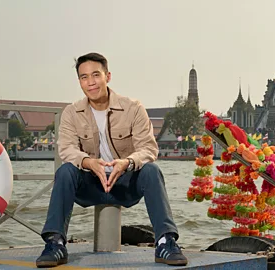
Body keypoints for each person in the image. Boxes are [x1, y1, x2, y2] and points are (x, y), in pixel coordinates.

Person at [36, 52, 187, 268]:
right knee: (65, 171)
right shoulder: (71, 112)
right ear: (79, 81)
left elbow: (148, 149)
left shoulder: (133, 108)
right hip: (90, 184)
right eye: (84, 77)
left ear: (108, 76)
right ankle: (55, 243)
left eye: (96, 75)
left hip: (125, 183)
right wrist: (89, 162)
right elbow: (67, 149)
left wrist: (126, 163)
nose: (91, 83)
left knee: (151, 171)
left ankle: (165, 242)